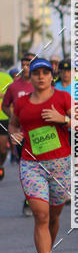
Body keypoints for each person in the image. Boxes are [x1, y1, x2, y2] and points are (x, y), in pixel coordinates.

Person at [8, 58, 71, 253]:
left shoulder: (63, 98)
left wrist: (63, 119)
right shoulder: (22, 102)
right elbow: (14, 124)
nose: (41, 76)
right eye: (37, 73)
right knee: (41, 215)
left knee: (53, 216)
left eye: (45, 72)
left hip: (60, 164)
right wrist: (14, 134)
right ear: (31, 77)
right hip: (31, 164)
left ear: (52, 76)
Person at [2, 53, 35, 213]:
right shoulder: (14, 86)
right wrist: (14, 118)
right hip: (21, 133)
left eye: (29, 64)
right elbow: (5, 105)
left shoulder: (42, 84)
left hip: (41, 133)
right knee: (27, 167)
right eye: (23, 64)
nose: (25, 67)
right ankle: (29, 199)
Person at [0, 67, 13, 181]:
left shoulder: (6, 77)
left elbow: (13, 95)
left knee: (3, 148)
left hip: (3, 118)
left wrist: (2, 95)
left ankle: (0, 165)